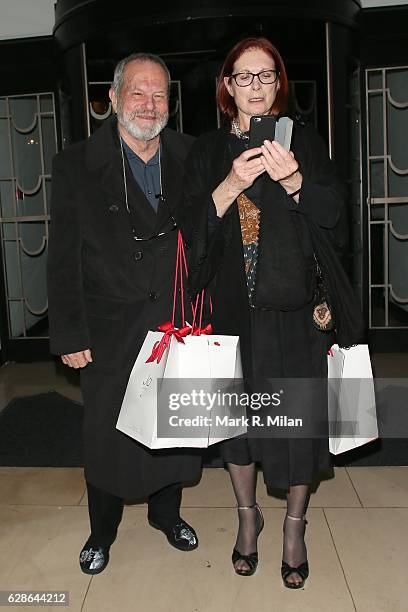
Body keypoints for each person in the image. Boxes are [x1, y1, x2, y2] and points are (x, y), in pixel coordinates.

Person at [182, 37, 363, 588]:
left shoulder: (303, 140)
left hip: (296, 314)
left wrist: (295, 181)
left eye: (266, 76)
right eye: (245, 76)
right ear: (227, 87)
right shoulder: (208, 150)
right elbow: (188, 230)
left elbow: (339, 221)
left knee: (295, 425)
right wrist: (233, 182)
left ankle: (293, 525)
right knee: (237, 424)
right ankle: (246, 517)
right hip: (232, 314)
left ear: (279, 84)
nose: (256, 86)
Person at [47, 53, 202, 575]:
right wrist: (69, 330)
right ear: (112, 99)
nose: (150, 104)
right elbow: (63, 256)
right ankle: (102, 529)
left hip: (175, 324)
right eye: (138, 93)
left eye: (159, 95)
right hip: (110, 329)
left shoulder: (191, 154)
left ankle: (166, 514)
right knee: (107, 435)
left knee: (170, 431)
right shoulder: (76, 164)